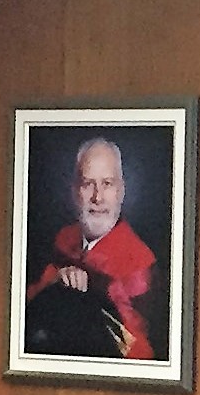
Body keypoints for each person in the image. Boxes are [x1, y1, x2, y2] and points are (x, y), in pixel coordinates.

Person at [25, 137, 157, 359]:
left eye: (107, 184)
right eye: (88, 184)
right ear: (74, 191)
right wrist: (56, 280)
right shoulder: (64, 238)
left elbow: (138, 354)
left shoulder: (139, 266)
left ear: (121, 191)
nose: (97, 197)